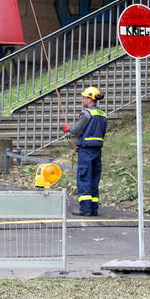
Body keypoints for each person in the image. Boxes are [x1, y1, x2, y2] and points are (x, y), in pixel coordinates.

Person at [62, 86, 108, 217]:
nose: (83, 99)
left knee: (84, 177)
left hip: (86, 151)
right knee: (94, 178)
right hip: (97, 150)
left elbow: (76, 130)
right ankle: (93, 208)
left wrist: (67, 128)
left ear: (90, 99)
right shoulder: (103, 115)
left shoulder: (87, 113)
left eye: (84, 97)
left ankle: (85, 208)